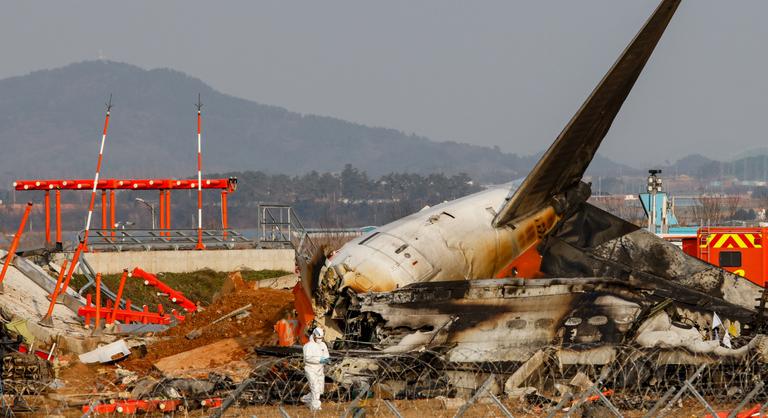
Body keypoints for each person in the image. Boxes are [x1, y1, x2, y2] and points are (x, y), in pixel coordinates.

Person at [302, 327, 330, 411]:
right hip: (310, 369)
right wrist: (320, 360)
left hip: (320, 369)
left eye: (321, 338)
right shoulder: (308, 346)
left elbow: (326, 355)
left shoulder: (323, 345)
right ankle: (315, 407)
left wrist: (326, 360)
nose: (319, 340)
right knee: (315, 387)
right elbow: (307, 358)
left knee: (320, 390)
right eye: (318, 338)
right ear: (314, 335)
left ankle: (306, 399)